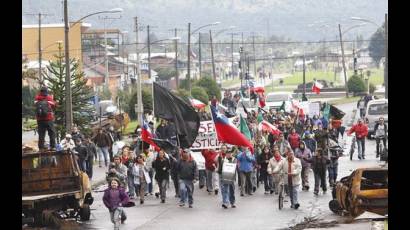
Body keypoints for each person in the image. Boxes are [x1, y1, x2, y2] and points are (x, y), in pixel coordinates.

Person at [34, 86, 57, 151]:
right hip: (48, 118)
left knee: (41, 133)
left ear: (40, 91)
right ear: (46, 91)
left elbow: (35, 104)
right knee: (51, 132)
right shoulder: (48, 97)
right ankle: (53, 146)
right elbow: (54, 104)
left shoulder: (37, 97)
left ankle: (41, 147)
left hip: (40, 119)